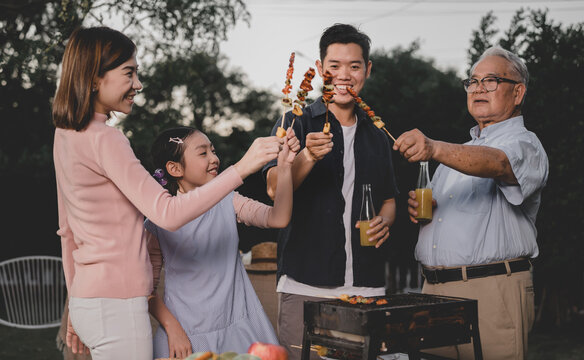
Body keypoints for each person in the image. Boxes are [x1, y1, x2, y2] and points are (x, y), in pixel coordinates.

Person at [52, 26, 283, 360]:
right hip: (118, 305)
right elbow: (166, 213)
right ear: (93, 77)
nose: (137, 84)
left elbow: (67, 231)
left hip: (90, 302)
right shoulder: (106, 138)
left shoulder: (65, 135)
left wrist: (77, 303)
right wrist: (243, 168)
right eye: (128, 73)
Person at [393, 46, 548, 360]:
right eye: (473, 81)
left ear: (517, 93)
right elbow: (443, 213)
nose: (478, 88)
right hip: (434, 293)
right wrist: (425, 214)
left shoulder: (525, 143)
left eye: (490, 81)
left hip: (490, 292)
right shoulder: (456, 154)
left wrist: (434, 148)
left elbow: (499, 164)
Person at [263, 23, 398, 360]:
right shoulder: (295, 121)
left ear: (367, 70)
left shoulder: (379, 135)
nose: (344, 75)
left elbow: (389, 200)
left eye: (354, 66)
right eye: (334, 66)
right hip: (305, 285)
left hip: (367, 287)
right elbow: (272, 190)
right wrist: (307, 156)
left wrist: (384, 219)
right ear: (321, 69)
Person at [144, 126, 299, 359]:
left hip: (239, 325)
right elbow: (146, 289)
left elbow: (278, 218)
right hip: (184, 334)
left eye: (213, 150)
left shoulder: (228, 201)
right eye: (203, 153)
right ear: (175, 168)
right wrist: (172, 328)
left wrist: (285, 168)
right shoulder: (157, 221)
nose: (215, 158)